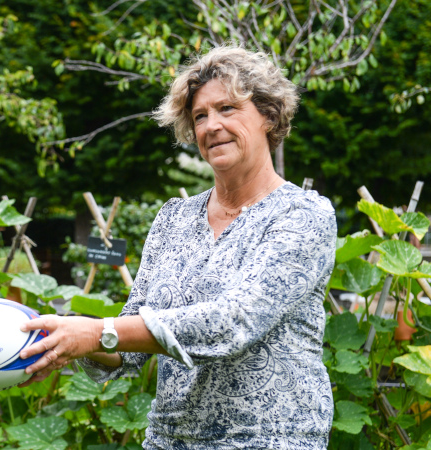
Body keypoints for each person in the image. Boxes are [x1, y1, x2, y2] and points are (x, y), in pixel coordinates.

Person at [19, 46, 336, 449]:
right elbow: (127, 348)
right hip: (170, 439)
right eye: (200, 115)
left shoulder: (302, 215)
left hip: (268, 439)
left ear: (268, 116)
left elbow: (233, 322)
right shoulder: (175, 218)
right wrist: (65, 337)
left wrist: (97, 332)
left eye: (227, 108)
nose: (211, 126)